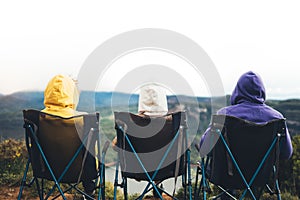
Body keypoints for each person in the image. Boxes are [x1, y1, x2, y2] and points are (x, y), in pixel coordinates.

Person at [199, 71, 293, 199]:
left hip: (227, 176)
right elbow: (286, 153)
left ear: (237, 91)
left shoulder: (224, 115)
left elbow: (204, 147)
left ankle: (226, 196)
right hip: (262, 176)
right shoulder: (277, 118)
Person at [42, 74, 96, 198]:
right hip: (80, 173)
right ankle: (89, 193)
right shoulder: (81, 119)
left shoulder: (37, 118)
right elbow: (92, 153)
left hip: (46, 170)